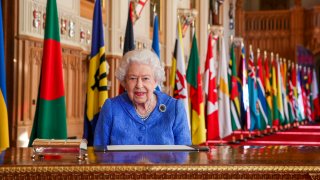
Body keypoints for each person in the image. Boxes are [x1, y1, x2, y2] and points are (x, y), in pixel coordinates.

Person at [94, 49, 191, 146]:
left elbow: (185, 156)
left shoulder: (174, 109)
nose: (139, 85)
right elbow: (99, 153)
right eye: (133, 78)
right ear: (124, 82)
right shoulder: (111, 108)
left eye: (145, 78)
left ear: (155, 81)